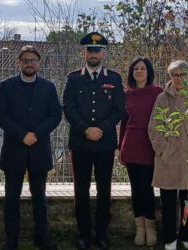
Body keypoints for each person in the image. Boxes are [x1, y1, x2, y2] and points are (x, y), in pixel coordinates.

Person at [62, 32, 125, 250]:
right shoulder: (73, 78)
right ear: (84, 53)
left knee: (104, 190)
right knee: (81, 190)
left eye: (97, 50)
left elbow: (119, 110)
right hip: (80, 143)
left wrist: (101, 129)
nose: (94, 54)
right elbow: (68, 108)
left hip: (105, 144)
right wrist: (86, 129)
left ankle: (101, 233)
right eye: (90, 50)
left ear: (104, 53)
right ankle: (84, 233)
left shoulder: (114, 79)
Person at [0, 45, 62, 250]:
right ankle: (11, 240)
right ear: (19, 63)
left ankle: (42, 238)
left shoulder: (48, 87)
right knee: (11, 199)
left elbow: (55, 115)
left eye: (33, 60)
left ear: (39, 63)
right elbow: (1, 116)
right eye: (25, 60)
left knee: (40, 198)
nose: (29, 64)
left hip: (39, 149)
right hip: (14, 148)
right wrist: (22, 134)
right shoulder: (6, 86)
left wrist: (36, 134)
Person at [148, 60, 188, 250]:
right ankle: (169, 239)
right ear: (170, 77)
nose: (178, 78)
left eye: (182, 74)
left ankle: (185, 235)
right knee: (167, 202)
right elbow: (154, 128)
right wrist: (165, 150)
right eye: (174, 75)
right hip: (169, 159)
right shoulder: (162, 98)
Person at [118, 56, 163, 247]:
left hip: (150, 144)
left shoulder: (158, 93)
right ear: (131, 73)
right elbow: (123, 123)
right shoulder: (126, 94)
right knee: (136, 189)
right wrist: (120, 148)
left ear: (149, 72)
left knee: (148, 188)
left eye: (142, 68)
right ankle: (140, 228)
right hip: (131, 144)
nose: (138, 71)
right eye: (135, 68)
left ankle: (151, 227)